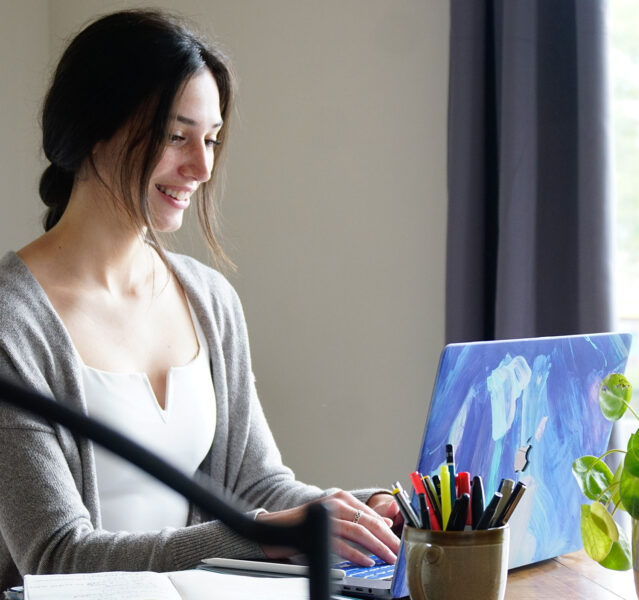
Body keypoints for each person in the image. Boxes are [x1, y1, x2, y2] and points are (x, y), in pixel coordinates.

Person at [0, 9, 400, 591]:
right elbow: (56, 556)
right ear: (93, 128)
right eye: (176, 136)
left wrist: (369, 511)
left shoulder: (208, 299)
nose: (203, 167)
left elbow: (258, 487)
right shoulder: (11, 326)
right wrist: (256, 533)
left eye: (210, 139)